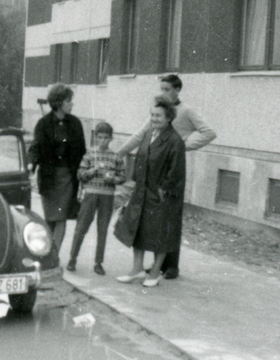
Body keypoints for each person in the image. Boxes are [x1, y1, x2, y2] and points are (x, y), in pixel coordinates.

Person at [116, 74, 216, 279]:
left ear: (177, 90)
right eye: (161, 89)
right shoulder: (158, 112)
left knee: (170, 218)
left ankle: (171, 267)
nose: (163, 93)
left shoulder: (186, 111)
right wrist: (120, 152)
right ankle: (157, 267)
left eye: (167, 89)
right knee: (154, 219)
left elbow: (208, 133)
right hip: (155, 168)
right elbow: (140, 135)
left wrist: (181, 146)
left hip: (172, 168)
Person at [113, 100, 186, 287]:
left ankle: (154, 273)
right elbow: (140, 160)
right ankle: (137, 269)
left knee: (159, 234)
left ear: (168, 118)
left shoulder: (175, 141)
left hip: (160, 195)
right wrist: (134, 185)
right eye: (152, 115)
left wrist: (163, 191)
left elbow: (176, 171)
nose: (154, 119)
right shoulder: (148, 134)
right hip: (142, 192)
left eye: (158, 115)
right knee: (138, 229)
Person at [27, 83, 87, 254]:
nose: (72, 104)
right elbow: (36, 147)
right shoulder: (43, 124)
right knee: (50, 219)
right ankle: (46, 251)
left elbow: (82, 150)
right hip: (49, 177)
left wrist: (83, 172)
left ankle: (54, 256)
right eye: (69, 101)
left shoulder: (75, 123)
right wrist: (31, 163)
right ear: (59, 102)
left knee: (60, 218)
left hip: (67, 177)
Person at [66, 122, 126, 275]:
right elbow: (80, 174)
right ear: (95, 138)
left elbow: (123, 177)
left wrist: (113, 179)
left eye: (106, 138)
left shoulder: (116, 156)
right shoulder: (89, 154)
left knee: (103, 229)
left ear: (111, 138)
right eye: (100, 137)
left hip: (107, 196)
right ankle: (73, 258)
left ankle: (98, 262)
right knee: (81, 227)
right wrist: (93, 171)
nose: (103, 141)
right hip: (91, 195)